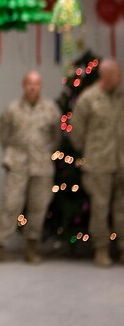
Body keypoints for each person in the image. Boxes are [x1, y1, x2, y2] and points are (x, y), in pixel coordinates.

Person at [0, 70, 60, 264]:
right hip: (17, 163)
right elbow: (4, 136)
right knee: (10, 204)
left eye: (36, 83)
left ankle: (31, 247)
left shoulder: (51, 109)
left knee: (39, 206)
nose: (32, 87)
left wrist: (45, 152)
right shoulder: (12, 109)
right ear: (23, 85)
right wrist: (13, 153)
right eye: (29, 83)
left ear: (41, 85)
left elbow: (56, 136)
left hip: (42, 163)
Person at [69, 59, 123, 267]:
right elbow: (77, 132)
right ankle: (101, 249)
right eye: (118, 74)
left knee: (122, 208)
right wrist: (90, 152)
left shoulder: (120, 97)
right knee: (100, 208)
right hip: (98, 164)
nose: (120, 78)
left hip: (121, 162)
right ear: (106, 76)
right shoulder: (88, 99)